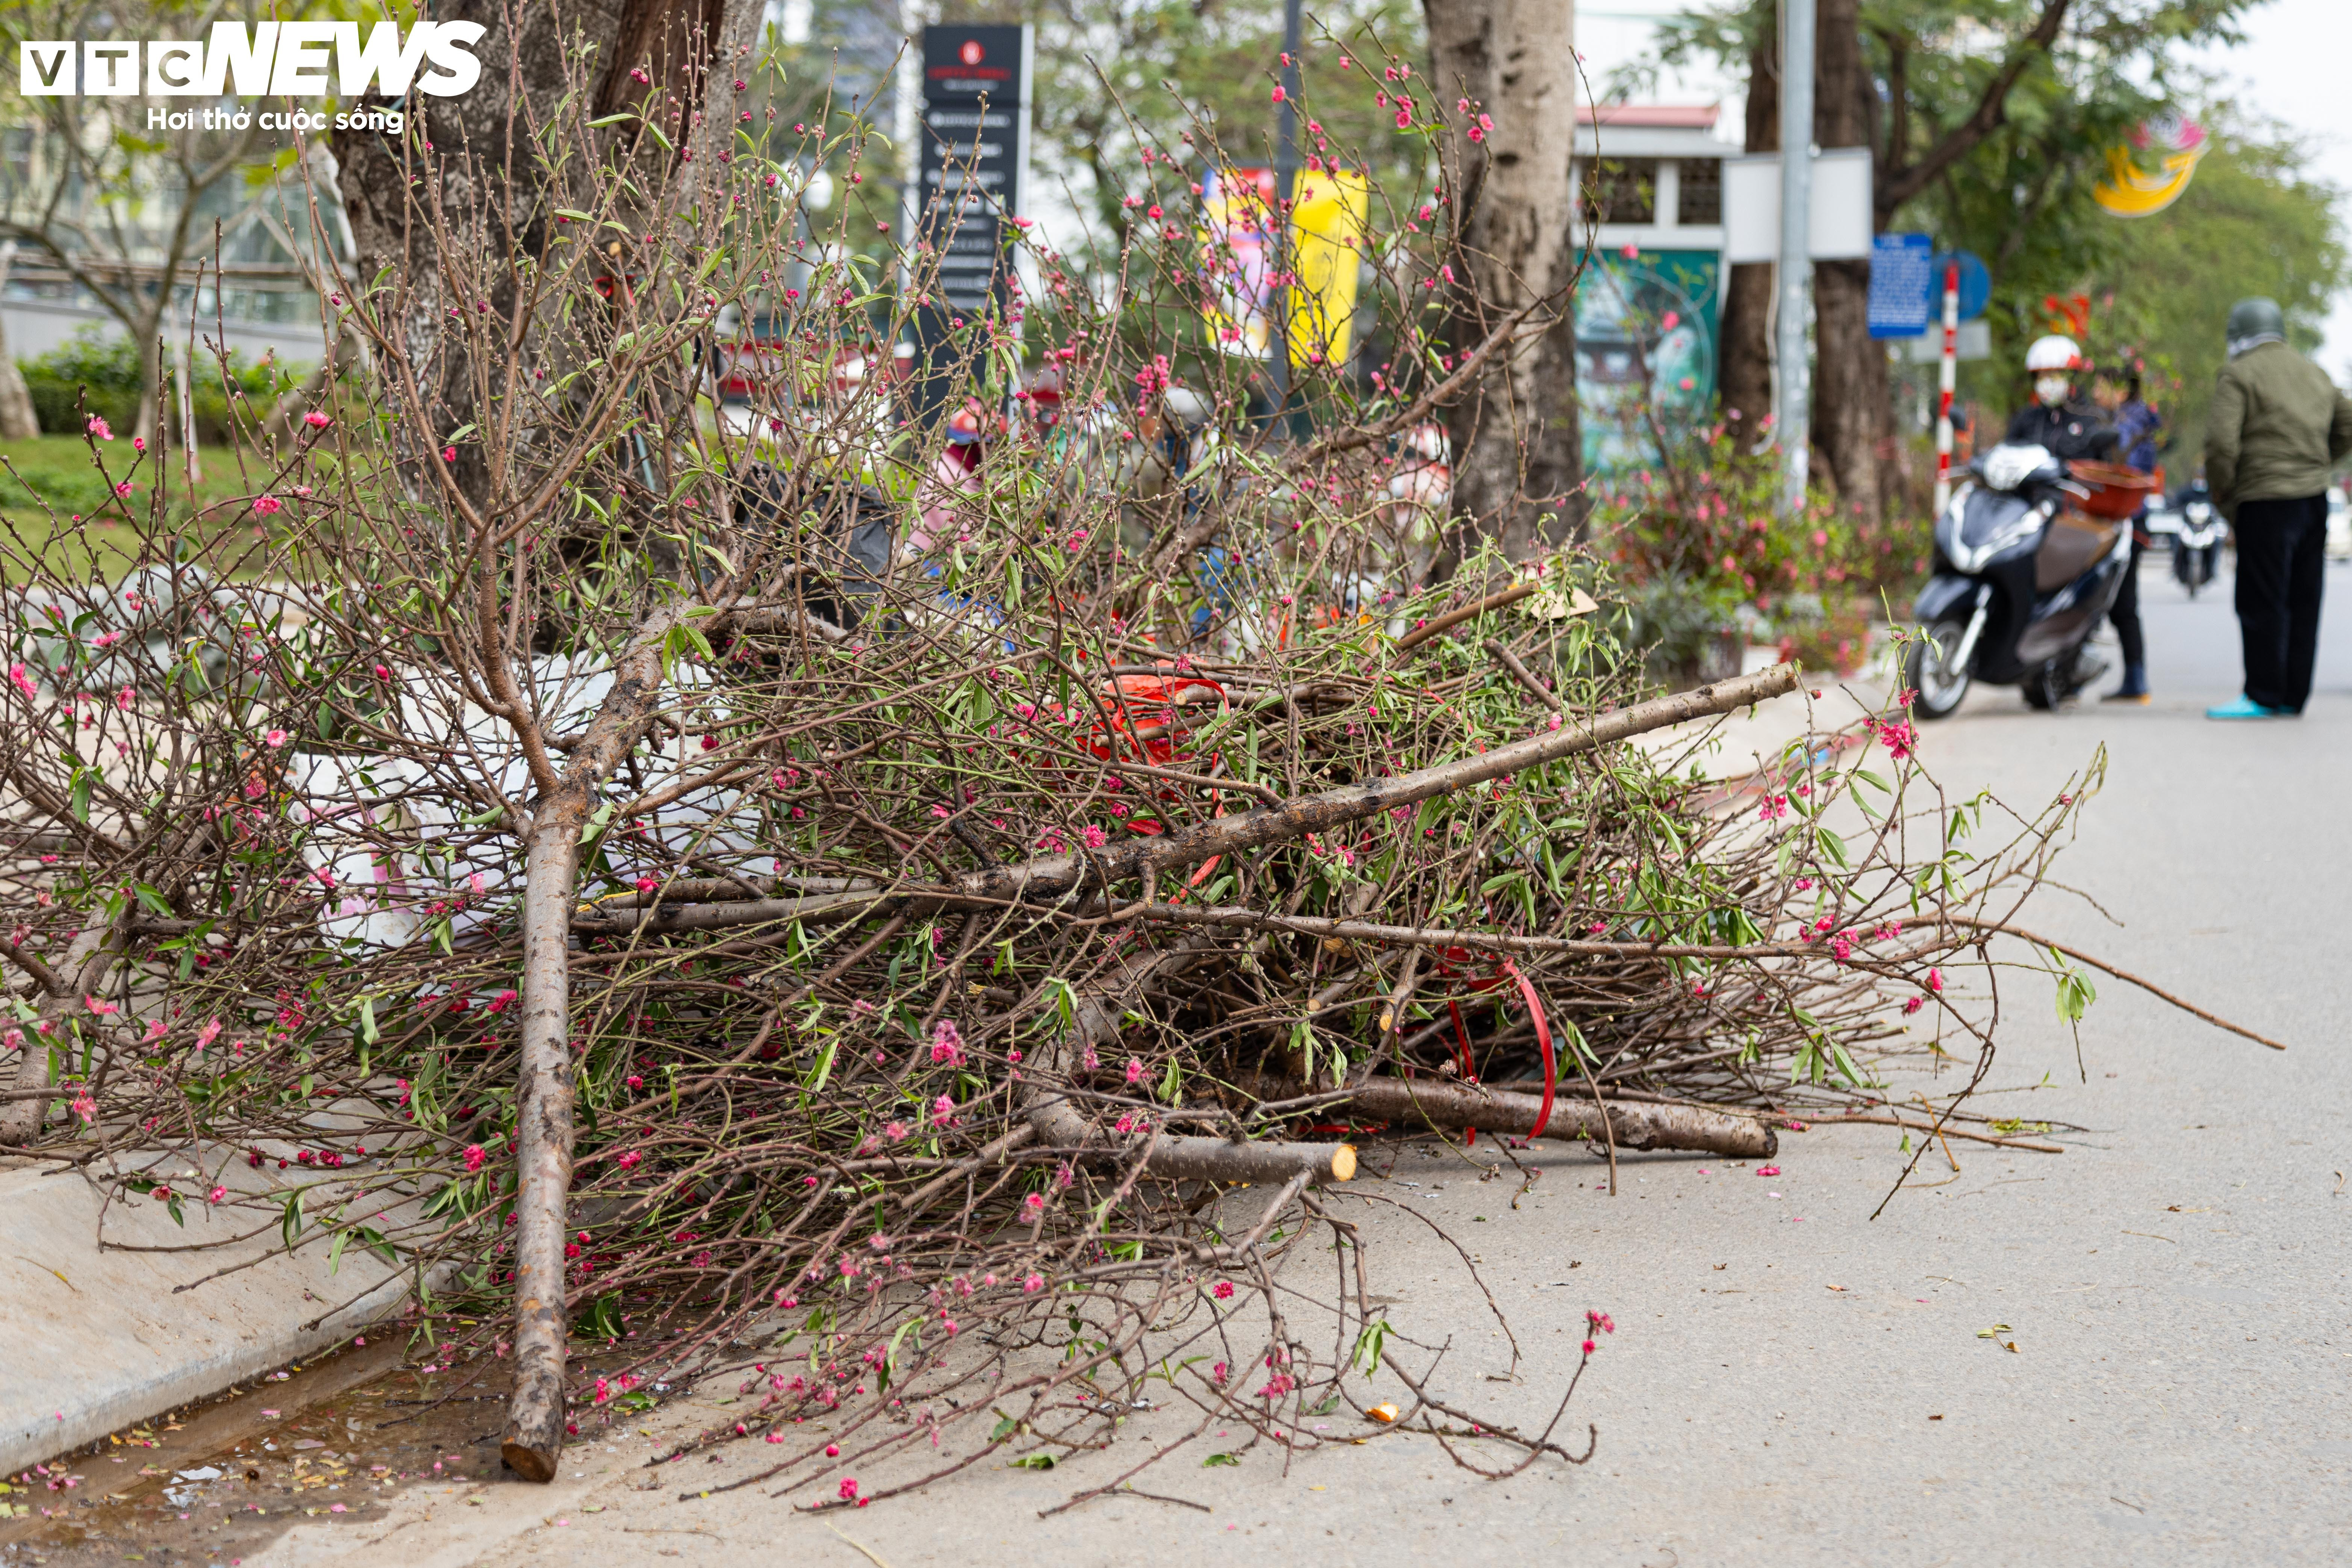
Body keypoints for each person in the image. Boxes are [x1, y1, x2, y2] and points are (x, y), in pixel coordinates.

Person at [2203, 297, 2352, 719]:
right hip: (2313, 500)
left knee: (2262, 600)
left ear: (2238, 335)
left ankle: (2263, 694)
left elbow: (2220, 444)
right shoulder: (2315, 372)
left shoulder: (2239, 374)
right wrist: (2318, 462)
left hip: (2264, 501)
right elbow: (2348, 424)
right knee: (2304, 600)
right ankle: (2292, 696)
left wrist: (2225, 495)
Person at [2096, 370, 2164, 703]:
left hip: (2126, 524)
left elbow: (2122, 473)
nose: (2095, 391)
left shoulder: (2130, 424)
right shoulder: (2127, 420)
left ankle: (2136, 680)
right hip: (2119, 523)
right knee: (2119, 603)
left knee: (2122, 603)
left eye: (2101, 384)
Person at [2005, 334, 2120, 463]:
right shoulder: (2027, 418)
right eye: (2042, 376)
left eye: (2055, 375)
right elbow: (2007, 453)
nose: (2048, 383)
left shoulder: (2094, 419)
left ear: (2073, 377)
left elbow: (2107, 471)